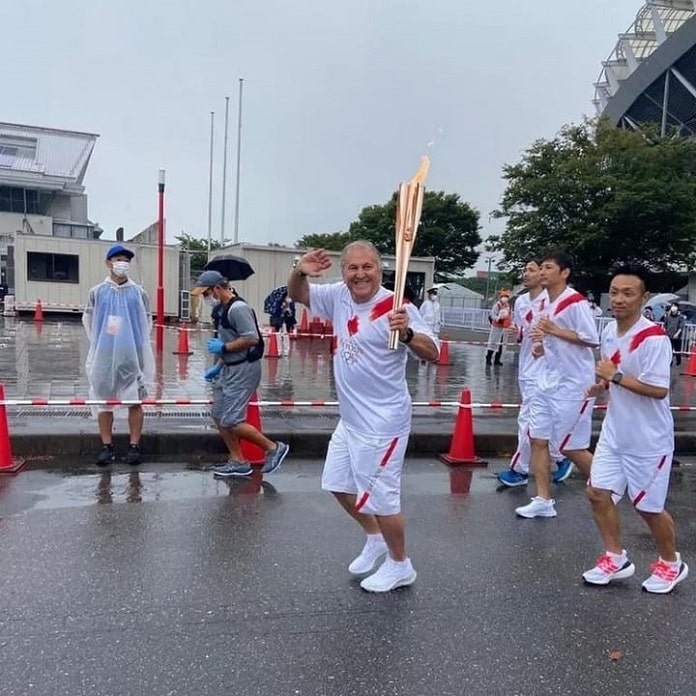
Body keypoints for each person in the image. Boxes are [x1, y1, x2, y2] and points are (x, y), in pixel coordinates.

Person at [287, 241, 439, 593]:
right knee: (337, 484)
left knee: (383, 500)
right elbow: (299, 294)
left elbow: (433, 352)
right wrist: (298, 270)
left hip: (383, 423)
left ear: (380, 269)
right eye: (352, 268)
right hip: (351, 419)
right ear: (343, 272)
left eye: (367, 267)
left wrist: (409, 335)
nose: (360, 274)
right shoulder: (339, 296)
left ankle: (401, 566)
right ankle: (375, 538)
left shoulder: (396, 306)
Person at [582, 263, 688, 593]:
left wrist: (614, 377)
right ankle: (616, 558)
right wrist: (603, 385)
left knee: (648, 508)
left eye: (628, 293)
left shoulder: (654, 339)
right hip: (616, 432)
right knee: (597, 493)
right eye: (614, 292)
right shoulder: (607, 332)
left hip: (648, 439)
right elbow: (614, 375)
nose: (620, 299)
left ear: (644, 297)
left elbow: (658, 390)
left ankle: (672, 563)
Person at [515, 251, 599, 519]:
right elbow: (547, 337)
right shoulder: (544, 304)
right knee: (537, 438)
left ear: (564, 273)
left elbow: (590, 338)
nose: (542, 272)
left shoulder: (575, 302)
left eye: (548, 268)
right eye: (540, 268)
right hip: (546, 380)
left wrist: (553, 331)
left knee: (570, 447)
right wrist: (541, 345)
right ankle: (543, 499)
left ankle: (607, 485)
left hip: (573, 384)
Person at [192, 270, 289, 477]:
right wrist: (218, 367)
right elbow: (227, 340)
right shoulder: (221, 309)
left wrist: (224, 348)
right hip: (228, 368)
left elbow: (251, 338)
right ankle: (238, 460)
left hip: (244, 369)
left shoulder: (238, 309)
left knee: (231, 421)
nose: (205, 298)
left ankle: (273, 448)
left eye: (206, 293)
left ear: (217, 288)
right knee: (218, 415)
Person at [496, 260, 573, 487]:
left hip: (544, 369)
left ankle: (519, 470)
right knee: (539, 421)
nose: (526, 274)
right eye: (525, 270)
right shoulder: (520, 301)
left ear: (542, 274)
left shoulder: (551, 301)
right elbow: (523, 330)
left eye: (532, 270)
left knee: (527, 420)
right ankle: (562, 457)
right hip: (526, 366)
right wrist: (516, 331)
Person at [83, 244, 154, 466]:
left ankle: (134, 446)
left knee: (134, 401)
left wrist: (139, 350)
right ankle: (107, 446)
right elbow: (89, 321)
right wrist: (100, 343)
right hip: (103, 354)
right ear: (108, 262)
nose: (122, 263)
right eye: (118, 259)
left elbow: (146, 323)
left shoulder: (139, 293)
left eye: (126, 260)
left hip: (131, 354)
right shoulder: (97, 292)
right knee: (103, 400)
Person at [486, 290, 512, 365]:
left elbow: (509, 315)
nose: (505, 298)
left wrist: (509, 322)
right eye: (504, 296)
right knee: (493, 343)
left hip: (504, 327)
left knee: (501, 344)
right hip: (496, 327)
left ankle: (497, 359)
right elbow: (492, 315)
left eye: (506, 297)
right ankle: (488, 358)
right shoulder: (497, 305)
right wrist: (498, 318)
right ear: (501, 297)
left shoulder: (508, 306)